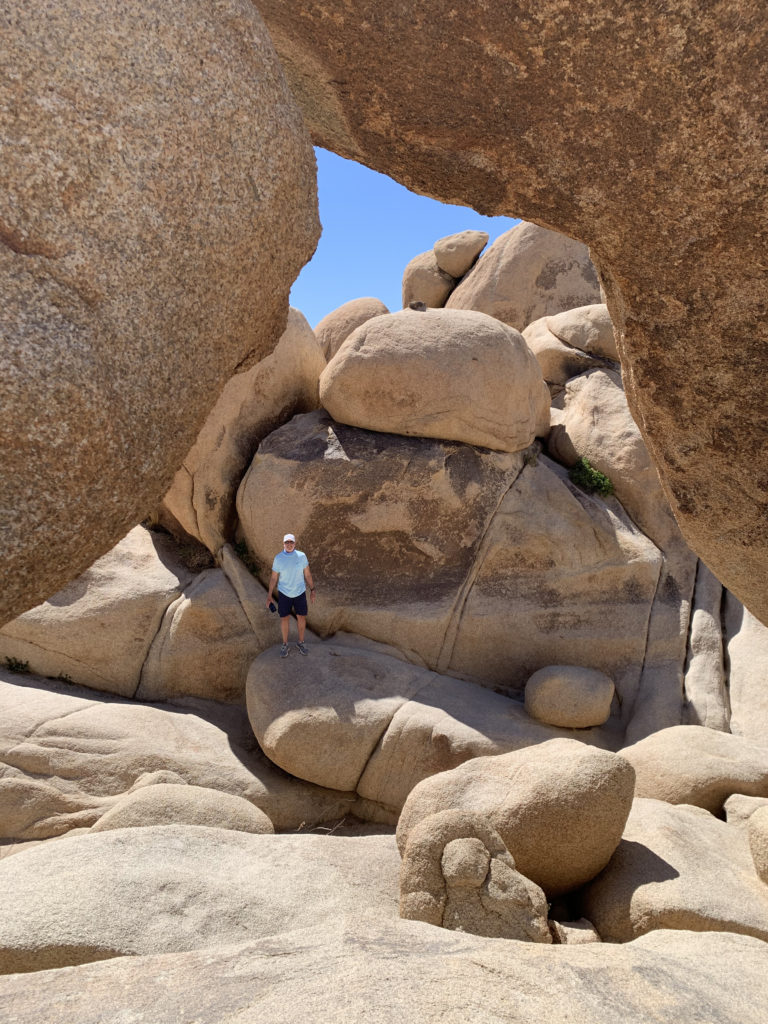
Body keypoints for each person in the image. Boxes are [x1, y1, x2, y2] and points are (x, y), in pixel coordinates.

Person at [265, 533, 316, 657]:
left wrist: (312, 590)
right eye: (286, 542)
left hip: (299, 592)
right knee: (284, 618)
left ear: (294, 543)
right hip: (284, 593)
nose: (289, 544)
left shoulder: (301, 556)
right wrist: (269, 595)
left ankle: (301, 642)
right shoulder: (278, 558)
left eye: (291, 542)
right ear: (283, 544)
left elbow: (307, 574)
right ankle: (285, 644)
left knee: (301, 617)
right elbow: (273, 578)